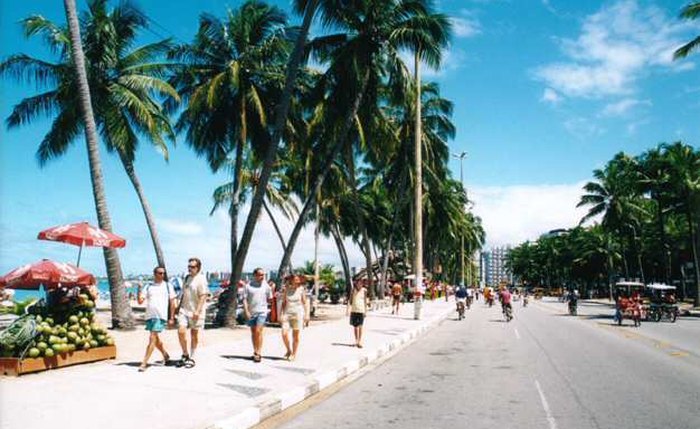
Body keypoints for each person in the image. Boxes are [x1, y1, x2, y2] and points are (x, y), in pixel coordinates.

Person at [137, 266, 176, 372]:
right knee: (156, 339)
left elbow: (173, 303)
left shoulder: (168, 286)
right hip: (150, 316)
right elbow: (140, 301)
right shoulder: (148, 286)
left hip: (160, 316)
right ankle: (165, 355)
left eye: (163, 273)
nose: (162, 275)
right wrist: (139, 289)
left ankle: (144, 362)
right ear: (154, 274)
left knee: (152, 337)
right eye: (159, 273)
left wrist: (172, 317)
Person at [176, 257, 210, 368]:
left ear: (198, 268)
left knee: (194, 334)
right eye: (189, 266)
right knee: (181, 331)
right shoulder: (187, 278)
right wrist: (178, 306)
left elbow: (203, 295)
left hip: (196, 312)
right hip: (184, 310)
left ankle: (192, 357)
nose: (190, 268)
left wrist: (197, 311)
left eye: (193, 267)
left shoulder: (201, 279)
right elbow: (183, 294)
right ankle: (185, 354)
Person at [243, 268, 272, 362]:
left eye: (263, 275)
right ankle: (255, 351)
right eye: (260, 275)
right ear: (254, 275)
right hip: (252, 312)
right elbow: (244, 299)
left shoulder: (266, 286)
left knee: (259, 331)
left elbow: (270, 298)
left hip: (262, 311)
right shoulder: (248, 286)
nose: (262, 276)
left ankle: (258, 353)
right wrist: (246, 311)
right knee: (253, 332)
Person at [280, 274, 309, 361]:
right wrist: (281, 313)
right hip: (287, 314)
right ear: (291, 280)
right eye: (296, 279)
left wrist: (307, 315)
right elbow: (283, 302)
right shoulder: (286, 289)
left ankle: (294, 354)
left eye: (298, 280)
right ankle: (288, 350)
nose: (298, 281)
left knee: (295, 336)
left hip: (298, 314)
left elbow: (305, 302)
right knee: (284, 333)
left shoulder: (301, 289)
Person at [347, 280, 369, 348]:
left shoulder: (364, 290)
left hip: (361, 310)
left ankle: (359, 341)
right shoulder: (353, 290)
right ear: (356, 284)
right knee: (355, 326)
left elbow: (365, 301)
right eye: (358, 283)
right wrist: (347, 309)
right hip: (354, 310)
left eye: (361, 284)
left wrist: (366, 311)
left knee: (360, 326)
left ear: (362, 284)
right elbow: (350, 300)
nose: (359, 285)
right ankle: (356, 340)